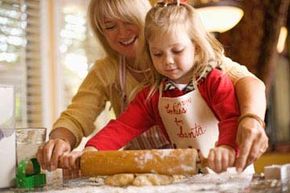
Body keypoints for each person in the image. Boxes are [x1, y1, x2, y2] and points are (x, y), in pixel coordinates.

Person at [37, 0, 268, 173]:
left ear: (196, 49)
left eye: (177, 51)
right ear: (151, 52)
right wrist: (92, 150)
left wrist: (228, 147)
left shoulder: (213, 78)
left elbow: (231, 115)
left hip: (229, 168)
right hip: (178, 173)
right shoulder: (153, 93)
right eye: (110, 26)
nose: (167, 61)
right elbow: (124, 125)